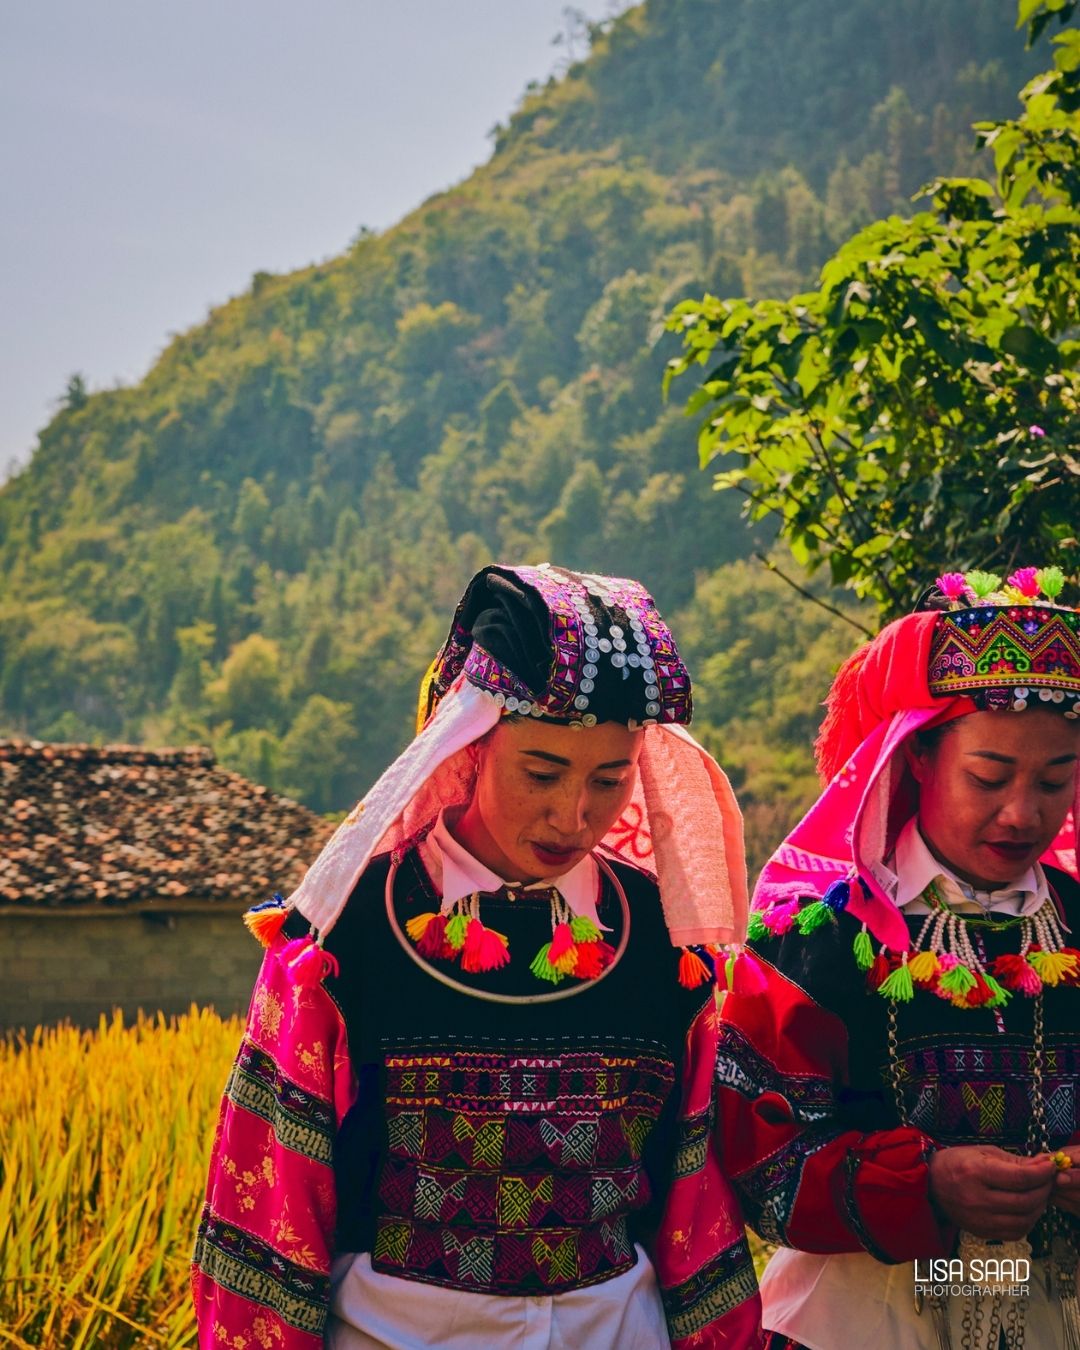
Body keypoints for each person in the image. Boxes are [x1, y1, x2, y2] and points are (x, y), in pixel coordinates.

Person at [192, 562, 764, 1349]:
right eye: (543, 772)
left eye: (610, 778)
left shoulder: (666, 942)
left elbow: (693, 1198)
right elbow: (272, 1202)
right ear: (471, 744)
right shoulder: (347, 937)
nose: (576, 813)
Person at [714, 566, 1080, 1350]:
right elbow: (759, 1167)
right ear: (917, 759)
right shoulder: (814, 940)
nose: (1023, 813)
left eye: (1055, 779)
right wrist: (926, 1184)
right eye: (989, 776)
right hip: (859, 1317)